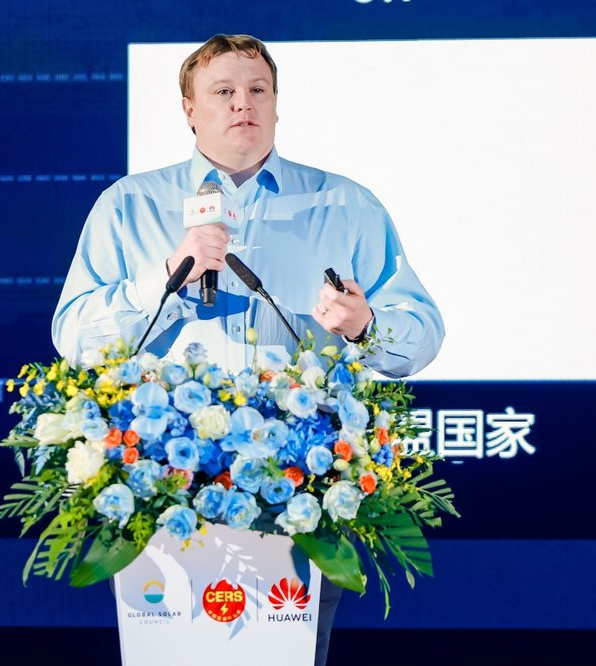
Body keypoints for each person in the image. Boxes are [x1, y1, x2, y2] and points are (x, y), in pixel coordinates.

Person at [52, 34, 443, 666]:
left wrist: (366, 324)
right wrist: (167, 277)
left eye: (258, 89)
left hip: (299, 491)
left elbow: (422, 332)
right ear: (189, 109)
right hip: (163, 488)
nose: (244, 104)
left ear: (277, 104)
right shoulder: (129, 205)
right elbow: (74, 337)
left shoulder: (345, 205)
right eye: (224, 91)